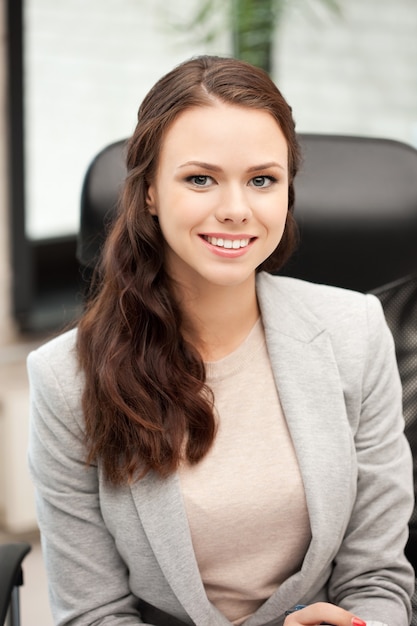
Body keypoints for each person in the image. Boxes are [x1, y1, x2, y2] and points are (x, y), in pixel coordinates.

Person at [27, 55, 414, 626]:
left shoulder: (355, 332)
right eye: (200, 178)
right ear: (151, 192)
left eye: (262, 180)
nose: (235, 210)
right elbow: (93, 613)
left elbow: (378, 580)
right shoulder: (67, 378)